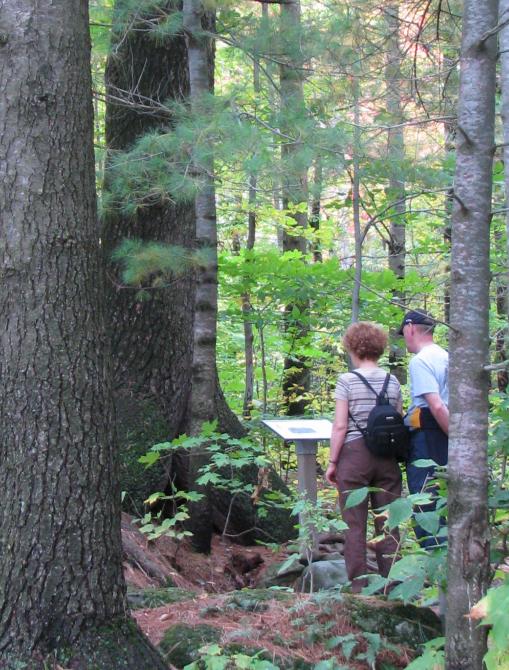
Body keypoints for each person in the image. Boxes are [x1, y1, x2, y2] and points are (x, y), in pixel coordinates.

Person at [325, 321, 403, 593]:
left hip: (354, 457)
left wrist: (333, 462)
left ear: (353, 348)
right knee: (389, 522)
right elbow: (398, 420)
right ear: (379, 348)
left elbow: (340, 426)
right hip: (386, 458)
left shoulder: (347, 381)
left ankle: (358, 588)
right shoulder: (392, 381)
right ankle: (393, 588)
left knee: (354, 524)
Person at [398, 309, 449, 548]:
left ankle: (437, 562)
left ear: (411, 328)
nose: (404, 338)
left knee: (424, 502)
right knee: (444, 499)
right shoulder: (447, 356)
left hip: (429, 439)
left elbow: (436, 405)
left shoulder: (421, 361)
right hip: (445, 435)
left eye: (404, 333)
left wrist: (455, 437)